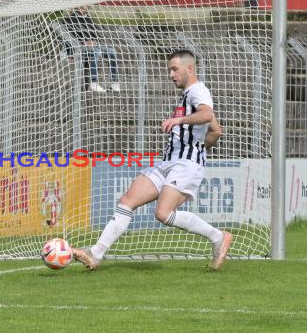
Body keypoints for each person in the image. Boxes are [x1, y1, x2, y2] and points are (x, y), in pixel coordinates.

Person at [73, 50, 232, 270]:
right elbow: (216, 130)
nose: (170, 74)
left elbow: (206, 115)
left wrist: (181, 124)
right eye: (169, 69)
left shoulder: (198, 90)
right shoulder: (188, 94)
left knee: (163, 213)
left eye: (174, 69)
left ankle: (218, 236)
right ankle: (96, 254)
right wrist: (197, 146)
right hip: (168, 161)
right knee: (127, 200)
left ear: (190, 68)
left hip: (185, 165)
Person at [63, 6, 121, 93]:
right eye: (82, 5)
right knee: (97, 52)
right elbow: (67, 39)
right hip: (79, 47)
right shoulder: (69, 20)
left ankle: (115, 83)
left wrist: (94, 41)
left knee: (112, 51)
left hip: (92, 46)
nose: (84, 7)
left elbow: (94, 35)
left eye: (86, 5)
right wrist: (71, 53)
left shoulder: (89, 19)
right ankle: (94, 82)